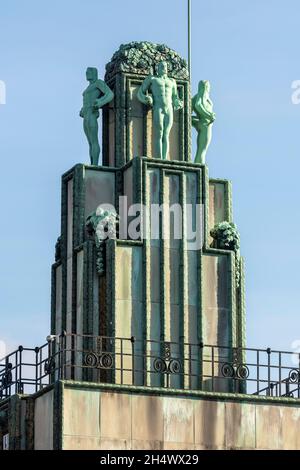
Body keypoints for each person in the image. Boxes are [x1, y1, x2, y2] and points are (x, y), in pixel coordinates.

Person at [137, 61, 183, 160]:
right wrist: (146, 98)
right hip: (158, 107)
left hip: (169, 108)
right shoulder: (152, 79)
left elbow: (175, 96)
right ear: (157, 68)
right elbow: (140, 92)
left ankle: (164, 158)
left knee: (166, 134)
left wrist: (177, 102)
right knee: (159, 132)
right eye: (161, 66)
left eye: (165, 66)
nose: (164, 67)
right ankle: (158, 158)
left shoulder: (172, 81)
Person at [80, 67, 114, 166]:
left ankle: (95, 164)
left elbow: (110, 94)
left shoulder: (98, 83)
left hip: (92, 114)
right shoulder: (88, 87)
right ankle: (92, 164)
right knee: (90, 142)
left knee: (94, 141)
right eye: (86, 72)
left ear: (94, 73)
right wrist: (82, 109)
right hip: (86, 115)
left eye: (89, 72)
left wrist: (100, 102)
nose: (86, 73)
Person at [192, 80, 216, 165]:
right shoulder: (203, 94)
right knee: (202, 150)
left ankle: (198, 166)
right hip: (206, 125)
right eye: (208, 86)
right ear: (206, 86)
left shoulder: (196, 96)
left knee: (201, 149)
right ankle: (200, 167)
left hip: (203, 123)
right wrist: (209, 115)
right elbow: (198, 105)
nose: (209, 88)